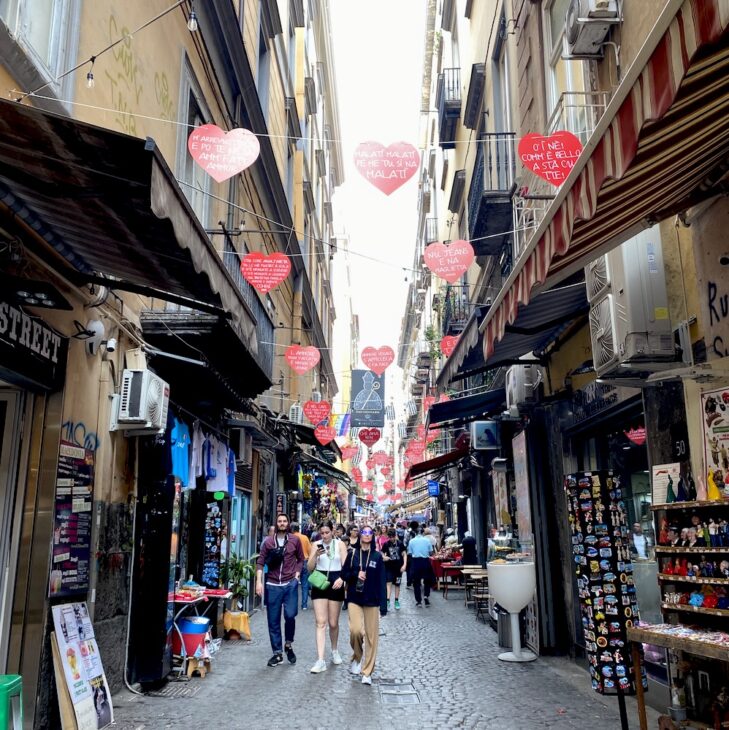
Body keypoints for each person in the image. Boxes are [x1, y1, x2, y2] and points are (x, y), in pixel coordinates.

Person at [256, 513, 305, 667]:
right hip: (272, 585)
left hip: (290, 584)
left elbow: (301, 559)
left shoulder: (295, 540)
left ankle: (288, 644)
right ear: (276, 524)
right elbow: (260, 562)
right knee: (273, 621)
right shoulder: (269, 542)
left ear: (288, 523)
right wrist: (259, 582)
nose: (282, 523)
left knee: (290, 615)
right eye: (280, 521)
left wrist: (297, 574)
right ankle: (277, 653)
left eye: (284, 521)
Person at [342, 524, 387, 685]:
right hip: (354, 597)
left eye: (370, 532)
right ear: (360, 535)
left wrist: (384, 604)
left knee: (371, 637)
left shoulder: (377, 556)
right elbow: (344, 574)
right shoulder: (352, 553)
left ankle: (367, 671)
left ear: (372, 536)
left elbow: (382, 580)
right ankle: (357, 656)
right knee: (355, 631)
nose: (367, 535)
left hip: (372, 599)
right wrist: (356, 573)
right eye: (364, 532)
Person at [307, 520, 348, 673]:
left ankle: (335, 649)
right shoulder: (316, 544)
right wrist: (314, 556)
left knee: (333, 623)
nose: (324, 536)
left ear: (333, 531)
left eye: (327, 532)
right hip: (319, 579)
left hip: (336, 579)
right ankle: (320, 659)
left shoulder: (339, 544)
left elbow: (345, 564)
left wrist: (342, 579)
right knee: (320, 622)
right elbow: (309, 569)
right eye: (322, 533)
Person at [407, 528, 435, 607]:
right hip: (425, 561)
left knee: (416, 582)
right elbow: (431, 552)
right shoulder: (427, 541)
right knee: (427, 580)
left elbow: (410, 553)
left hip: (416, 562)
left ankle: (419, 601)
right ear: (423, 533)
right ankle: (426, 596)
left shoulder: (411, 541)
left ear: (415, 533)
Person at [382, 528, 407, 610]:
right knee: (388, 583)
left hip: (398, 568)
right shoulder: (386, 544)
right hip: (388, 567)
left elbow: (404, 554)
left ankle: (396, 601)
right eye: (390, 537)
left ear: (395, 536)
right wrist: (384, 557)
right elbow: (382, 553)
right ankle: (388, 601)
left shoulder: (400, 544)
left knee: (397, 584)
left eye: (393, 537)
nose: (392, 538)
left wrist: (404, 565)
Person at [291, 522, 311, 610]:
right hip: (305, 561)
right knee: (305, 584)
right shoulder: (305, 537)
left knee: (293, 583)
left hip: (294, 562)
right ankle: (304, 605)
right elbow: (310, 551)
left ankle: (292, 603)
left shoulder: (291, 538)